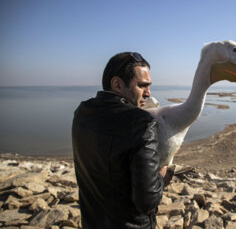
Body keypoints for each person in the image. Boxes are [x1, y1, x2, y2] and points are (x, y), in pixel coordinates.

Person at [72, 52, 169, 229]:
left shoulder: (82, 112)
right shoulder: (142, 123)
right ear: (117, 84)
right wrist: (162, 175)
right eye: (142, 85)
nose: (148, 93)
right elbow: (147, 201)